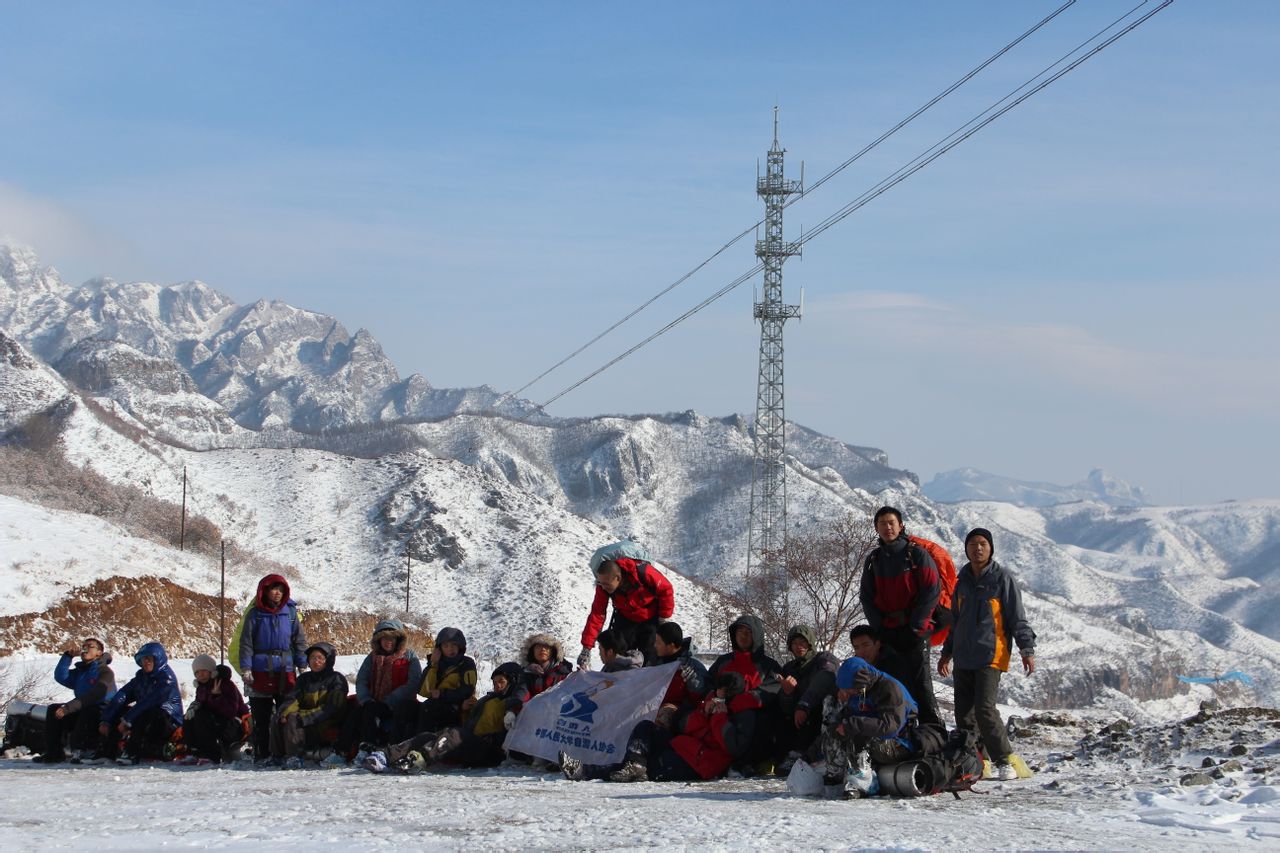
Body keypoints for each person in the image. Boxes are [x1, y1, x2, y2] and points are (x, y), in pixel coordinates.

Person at [938, 527, 1036, 782]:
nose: (977, 548)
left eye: (982, 543)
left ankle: (1005, 759)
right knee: (964, 714)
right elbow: (956, 622)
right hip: (963, 657)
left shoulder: (1002, 579)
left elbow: (1017, 618)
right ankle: (978, 761)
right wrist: (946, 653)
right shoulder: (961, 583)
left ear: (990, 548)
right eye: (973, 544)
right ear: (966, 549)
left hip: (991, 655)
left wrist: (1027, 649)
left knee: (985, 709)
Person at [560, 671, 755, 784]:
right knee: (645, 728)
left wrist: (719, 718)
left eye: (722, 690)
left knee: (647, 766)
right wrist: (704, 713)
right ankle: (634, 764)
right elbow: (686, 727)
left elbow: (729, 746)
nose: (717, 693)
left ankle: (584, 771)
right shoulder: (711, 703)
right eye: (717, 689)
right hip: (683, 746)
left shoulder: (742, 713)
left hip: (699, 763)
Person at [859, 506, 943, 727]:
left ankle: (933, 732)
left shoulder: (915, 555)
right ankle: (899, 731)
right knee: (892, 685)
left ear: (901, 526)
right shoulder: (874, 560)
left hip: (915, 632)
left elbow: (931, 591)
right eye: (882, 524)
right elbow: (867, 597)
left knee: (921, 684)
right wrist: (880, 629)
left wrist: (915, 628)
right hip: (888, 632)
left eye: (891, 523)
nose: (887, 527)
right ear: (876, 528)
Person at [367, 661, 524, 773]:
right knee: (428, 736)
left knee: (454, 734)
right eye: (495, 682)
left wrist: (502, 725)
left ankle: (419, 760)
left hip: (492, 751)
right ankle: (385, 755)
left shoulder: (513, 702)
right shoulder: (487, 699)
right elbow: (472, 723)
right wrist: (464, 709)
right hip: (473, 742)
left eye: (501, 681)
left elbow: (516, 710)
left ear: (513, 681)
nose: (497, 685)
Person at [820, 656, 940, 799]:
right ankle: (834, 778)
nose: (847, 694)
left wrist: (852, 725)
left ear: (859, 683)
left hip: (899, 743)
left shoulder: (890, 689)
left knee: (856, 732)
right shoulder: (859, 691)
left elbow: (890, 727)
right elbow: (845, 721)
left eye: (850, 690)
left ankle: (862, 782)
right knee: (835, 732)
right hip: (876, 741)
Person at [238, 573, 308, 762]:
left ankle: (286, 752)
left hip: (285, 671)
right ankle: (262, 754)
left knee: (286, 713)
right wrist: (246, 668)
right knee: (261, 717)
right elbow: (246, 643)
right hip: (259, 671)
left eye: (281, 590)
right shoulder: (255, 614)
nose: (277, 593)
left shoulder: (291, 613)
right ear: (265, 590)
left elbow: (299, 640)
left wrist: (302, 665)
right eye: (274, 589)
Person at [333, 618, 422, 764]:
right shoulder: (372, 657)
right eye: (384, 638)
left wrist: (391, 699)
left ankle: (367, 748)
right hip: (375, 701)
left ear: (398, 639)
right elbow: (362, 680)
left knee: (371, 710)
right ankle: (341, 751)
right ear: (378, 640)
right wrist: (366, 698)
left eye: (392, 638)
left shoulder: (410, 656)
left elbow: (414, 682)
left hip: (400, 702)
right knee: (356, 712)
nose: (388, 642)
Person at [706, 614, 782, 775]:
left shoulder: (768, 665)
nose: (743, 636)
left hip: (754, 721)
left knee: (755, 718)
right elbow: (708, 685)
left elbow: (771, 691)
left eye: (748, 632)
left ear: (756, 636)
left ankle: (744, 763)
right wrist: (712, 700)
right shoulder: (723, 662)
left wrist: (736, 704)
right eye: (739, 632)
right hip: (721, 713)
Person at [577, 557, 674, 669]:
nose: (603, 587)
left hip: (650, 619)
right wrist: (586, 648)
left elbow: (666, 589)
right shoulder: (603, 586)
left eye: (606, 584)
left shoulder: (643, 572)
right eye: (600, 583)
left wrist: (664, 618)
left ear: (617, 578)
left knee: (651, 659)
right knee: (620, 659)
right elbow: (597, 614)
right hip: (625, 619)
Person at [266, 642, 349, 769]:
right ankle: (277, 755)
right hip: (306, 719)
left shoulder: (336, 679)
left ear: (328, 660)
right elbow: (293, 699)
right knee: (280, 716)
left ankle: (294, 756)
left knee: (294, 719)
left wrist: (305, 717)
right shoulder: (304, 679)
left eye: (320, 658)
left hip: (325, 721)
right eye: (312, 658)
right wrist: (284, 713)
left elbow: (332, 707)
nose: (316, 661)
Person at [98, 642, 184, 765]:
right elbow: (123, 695)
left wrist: (127, 721)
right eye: (143, 659)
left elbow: (149, 702)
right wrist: (106, 719)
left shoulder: (166, 679)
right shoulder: (141, 677)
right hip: (145, 718)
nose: (146, 662)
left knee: (146, 713)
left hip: (168, 721)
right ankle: (107, 752)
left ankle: (132, 752)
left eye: (149, 659)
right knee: (120, 711)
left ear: (158, 659)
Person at [36, 637, 117, 763]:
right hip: (82, 706)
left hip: (102, 710)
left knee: (89, 711)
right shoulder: (81, 672)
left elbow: (94, 695)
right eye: (84, 646)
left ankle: (81, 750)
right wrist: (68, 656)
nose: (85, 649)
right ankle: (53, 752)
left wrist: (68, 708)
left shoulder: (105, 672)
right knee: (53, 709)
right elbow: (61, 676)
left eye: (90, 646)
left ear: (99, 653)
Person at [774, 625, 838, 771]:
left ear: (810, 643)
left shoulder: (824, 659)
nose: (799, 646)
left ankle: (805, 755)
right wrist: (787, 693)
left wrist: (804, 704)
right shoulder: (789, 668)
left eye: (802, 642)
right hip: (799, 719)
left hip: (821, 713)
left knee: (813, 713)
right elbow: (786, 707)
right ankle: (786, 755)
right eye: (794, 643)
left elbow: (826, 677)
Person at [181, 654, 250, 764]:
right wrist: (192, 708)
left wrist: (217, 697)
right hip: (215, 721)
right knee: (190, 717)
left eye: (203, 671)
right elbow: (200, 703)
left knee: (202, 717)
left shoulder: (225, 684)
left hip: (233, 725)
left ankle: (211, 755)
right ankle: (193, 752)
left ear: (211, 671)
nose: (200, 675)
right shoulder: (202, 687)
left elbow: (230, 711)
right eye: (197, 673)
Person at [649, 621, 707, 733]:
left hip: (679, 712)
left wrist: (692, 681)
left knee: (664, 715)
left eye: (658, 643)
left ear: (671, 645)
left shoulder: (692, 666)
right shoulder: (655, 662)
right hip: (653, 706)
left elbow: (702, 696)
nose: (655, 646)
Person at [416, 627, 476, 733]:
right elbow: (423, 691)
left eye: (454, 645)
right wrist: (433, 665)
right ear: (439, 648)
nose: (450, 649)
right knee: (406, 707)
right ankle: (396, 745)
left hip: (457, 707)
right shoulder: (437, 663)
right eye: (446, 645)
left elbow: (467, 691)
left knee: (429, 707)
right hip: (435, 704)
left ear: (460, 647)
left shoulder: (467, 664)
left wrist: (442, 694)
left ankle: (421, 745)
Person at [514, 632, 574, 706]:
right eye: (538, 646)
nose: (543, 649)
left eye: (547, 646)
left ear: (553, 651)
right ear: (532, 651)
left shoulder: (564, 672)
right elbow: (521, 693)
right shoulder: (526, 674)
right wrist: (513, 710)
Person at [849, 624, 911, 688]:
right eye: (856, 647)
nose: (861, 651)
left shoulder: (896, 666)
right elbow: (861, 695)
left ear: (877, 645)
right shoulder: (855, 669)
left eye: (866, 645)